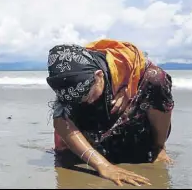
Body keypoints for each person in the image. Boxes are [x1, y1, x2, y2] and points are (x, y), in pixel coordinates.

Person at [46, 39, 174, 187]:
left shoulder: (139, 71)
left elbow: (161, 107)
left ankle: (158, 147)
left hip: (132, 127)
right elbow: (61, 121)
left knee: (156, 79)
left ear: (99, 76)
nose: (84, 102)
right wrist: (103, 166)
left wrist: (159, 147)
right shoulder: (68, 77)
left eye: (87, 96)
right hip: (94, 126)